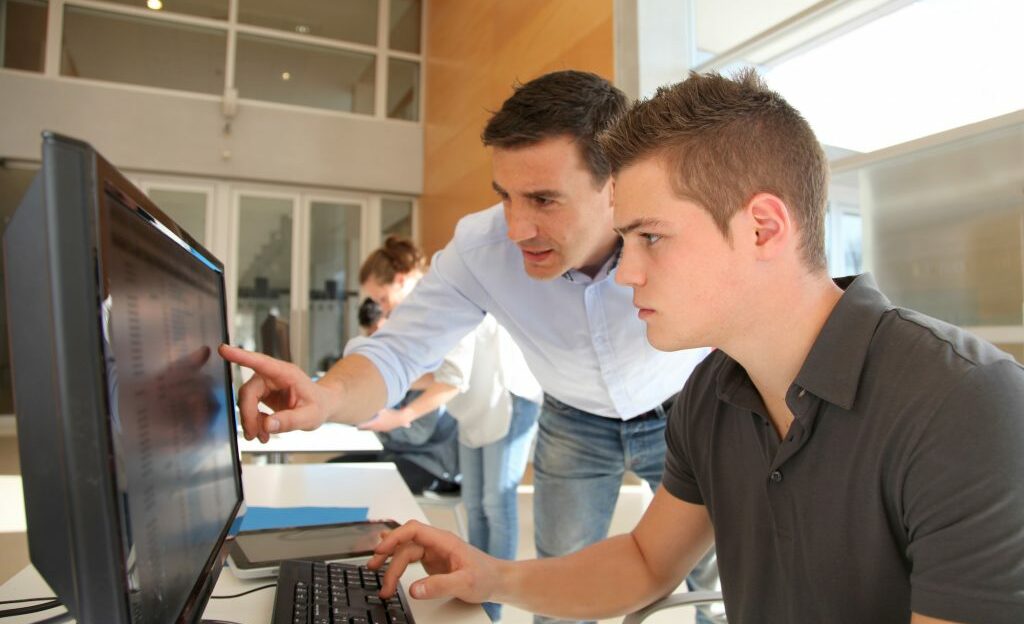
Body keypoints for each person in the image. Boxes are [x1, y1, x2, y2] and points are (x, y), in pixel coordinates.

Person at [363, 69, 1024, 624]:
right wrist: (491, 576)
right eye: (626, 240)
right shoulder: (712, 393)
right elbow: (645, 562)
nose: (626, 273)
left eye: (651, 237)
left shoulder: (967, 404)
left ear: (763, 229)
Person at [219, 70, 715, 624]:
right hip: (574, 418)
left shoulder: (672, 229)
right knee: (559, 581)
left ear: (614, 185)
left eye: (544, 199)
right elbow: (398, 352)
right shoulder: (481, 248)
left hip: (687, 406)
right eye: (505, 197)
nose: (517, 229)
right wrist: (327, 395)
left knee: (711, 576)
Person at [358, 238, 544, 621]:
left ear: (401, 279)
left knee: (496, 504)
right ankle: (476, 591)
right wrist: (387, 386)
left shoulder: (441, 295)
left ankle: (491, 608)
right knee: (474, 504)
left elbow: (452, 380)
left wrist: (400, 416)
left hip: (507, 397)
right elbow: (436, 373)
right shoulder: (420, 308)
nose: (382, 308)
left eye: (382, 297)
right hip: (476, 405)